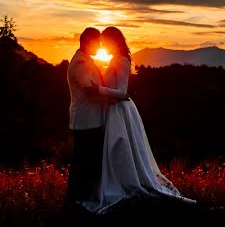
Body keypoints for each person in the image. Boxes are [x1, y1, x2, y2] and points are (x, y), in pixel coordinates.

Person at [78, 26, 196, 214]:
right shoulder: (114, 60)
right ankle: (116, 181)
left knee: (120, 148)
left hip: (121, 111)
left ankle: (127, 182)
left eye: (104, 41)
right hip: (112, 110)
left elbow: (123, 92)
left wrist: (99, 90)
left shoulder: (122, 61)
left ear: (113, 41)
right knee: (114, 150)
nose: (101, 45)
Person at [64, 27, 128, 211]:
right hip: (86, 122)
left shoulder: (86, 61)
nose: (99, 46)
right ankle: (75, 203)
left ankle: (82, 201)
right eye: (97, 43)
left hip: (92, 121)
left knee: (89, 164)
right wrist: (115, 95)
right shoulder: (80, 64)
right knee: (82, 164)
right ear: (87, 42)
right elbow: (89, 90)